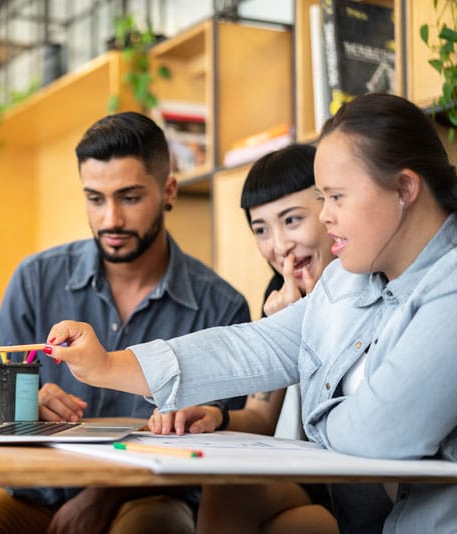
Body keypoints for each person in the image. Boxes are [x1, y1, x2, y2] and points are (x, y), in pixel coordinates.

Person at [43, 93, 457, 533]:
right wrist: (108, 365)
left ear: (405, 189)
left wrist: (318, 417)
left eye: (336, 197)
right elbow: (251, 345)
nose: (326, 216)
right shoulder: (349, 279)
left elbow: (381, 434)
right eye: (321, 198)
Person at [0, 111, 251, 534]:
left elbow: (220, 445)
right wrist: (23, 405)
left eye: (130, 197)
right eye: (95, 198)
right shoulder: (35, 280)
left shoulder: (220, 307)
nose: (111, 220)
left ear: (169, 191)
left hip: (149, 497)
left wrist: (106, 495)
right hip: (38, 493)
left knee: (157, 527)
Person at [148, 143, 339, 533]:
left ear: (330, 208)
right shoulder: (280, 289)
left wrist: (302, 328)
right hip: (315, 476)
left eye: (292, 220)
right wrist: (215, 416)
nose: (279, 246)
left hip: (365, 479)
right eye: (261, 230)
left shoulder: (363, 280)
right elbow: (261, 415)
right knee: (227, 485)